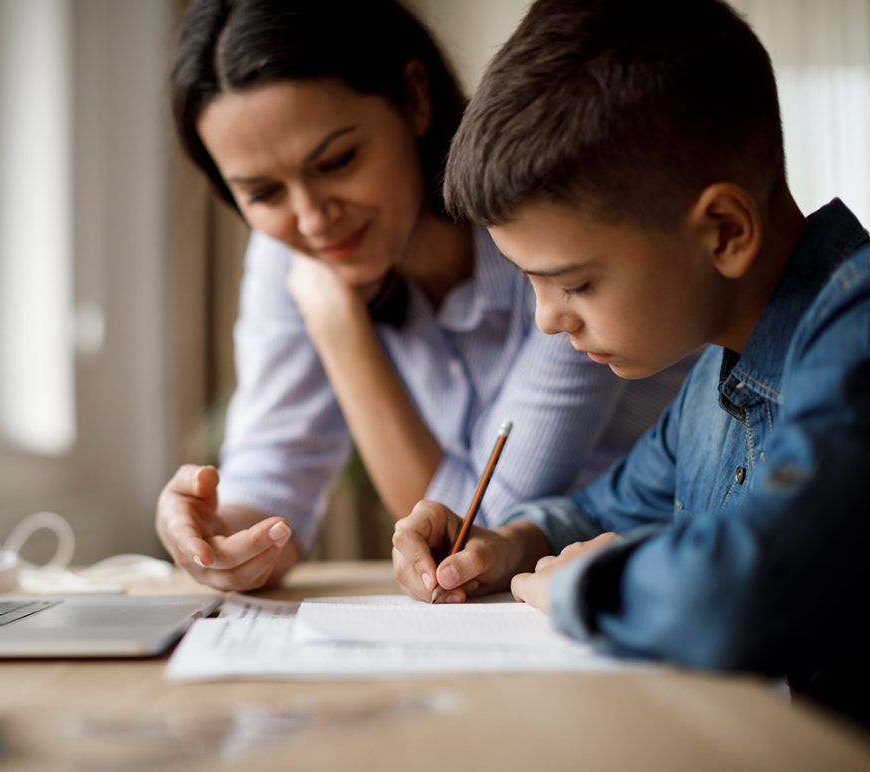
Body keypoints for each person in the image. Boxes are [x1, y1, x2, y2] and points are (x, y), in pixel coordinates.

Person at [391, 0, 870, 725]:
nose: (548, 321)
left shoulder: (855, 334)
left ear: (724, 230)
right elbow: (600, 509)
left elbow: (744, 591)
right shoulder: (712, 377)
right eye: (530, 281)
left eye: (576, 282)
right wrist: (509, 543)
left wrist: (583, 587)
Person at [158, 0, 689, 593]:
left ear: (414, 98)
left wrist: (338, 326)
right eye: (261, 192)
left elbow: (476, 529)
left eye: (337, 161)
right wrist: (216, 536)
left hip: (650, 577)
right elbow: (273, 477)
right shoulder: (291, 252)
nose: (311, 219)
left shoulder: (554, 237)